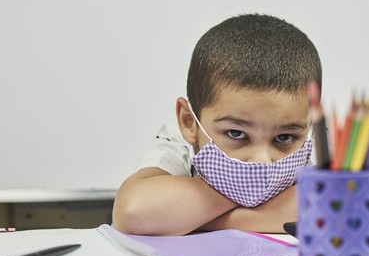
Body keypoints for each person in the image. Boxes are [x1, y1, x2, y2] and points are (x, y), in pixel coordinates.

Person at [112, 13, 322, 235]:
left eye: (284, 138)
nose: (262, 162)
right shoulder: (178, 147)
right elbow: (133, 211)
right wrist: (260, 205)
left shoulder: (308, 150)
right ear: (189, 122)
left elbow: (332, 205)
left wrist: (194, 220)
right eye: (236, 134)